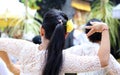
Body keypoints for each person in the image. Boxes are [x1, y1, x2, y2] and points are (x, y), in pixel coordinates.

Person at [0, 9, 110, 75]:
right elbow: (103, 61)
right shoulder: (64, 60)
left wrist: (10, 66)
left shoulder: (25, 47)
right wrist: (105, 29)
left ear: (42, 31)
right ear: (65, 35)